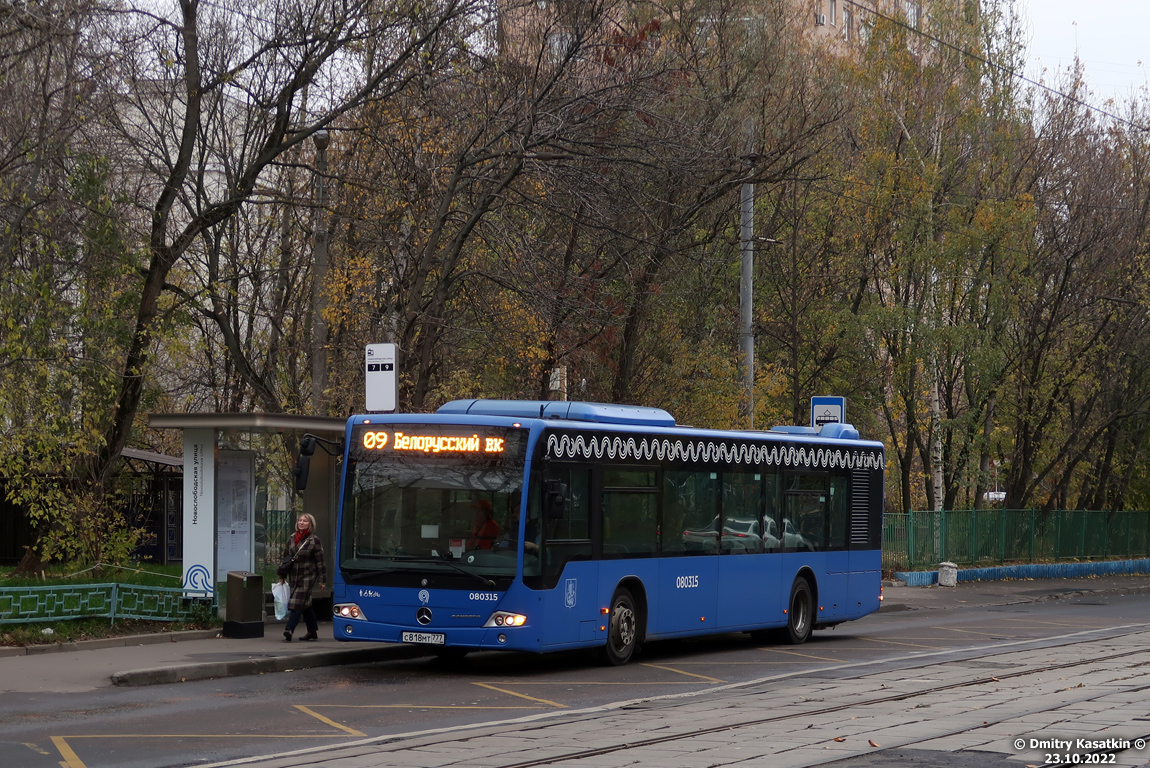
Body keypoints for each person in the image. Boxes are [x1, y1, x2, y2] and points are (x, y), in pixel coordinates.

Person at [280, 513, 326, 642]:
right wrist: (282, 575)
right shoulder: (292, 538)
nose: (301, 523)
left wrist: (322, 580)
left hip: (308, 576)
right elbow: (285, 558)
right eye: (300, 520)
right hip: (294, 576)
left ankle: (289, 629)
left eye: (305, 521)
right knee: (305, 604)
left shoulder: (314, 540)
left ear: (310, 524)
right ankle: (312, 631)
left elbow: (320, 561)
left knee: (296, 602)